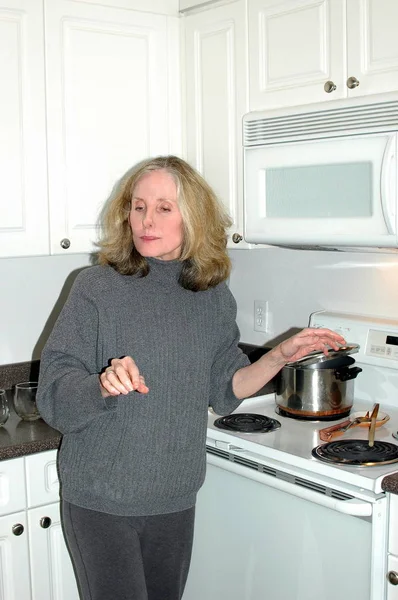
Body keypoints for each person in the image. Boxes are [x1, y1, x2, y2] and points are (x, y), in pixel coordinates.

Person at [37, 155, 345, 600]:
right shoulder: (96, 288)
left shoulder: (212, 297)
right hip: (101, 498)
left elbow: (225, 388)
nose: (145, 220)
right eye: (138, 206)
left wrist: (279, 356)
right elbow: (53, 395)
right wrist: (102, 384)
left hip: (175, 495)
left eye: (164, 207)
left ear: (193, 217)